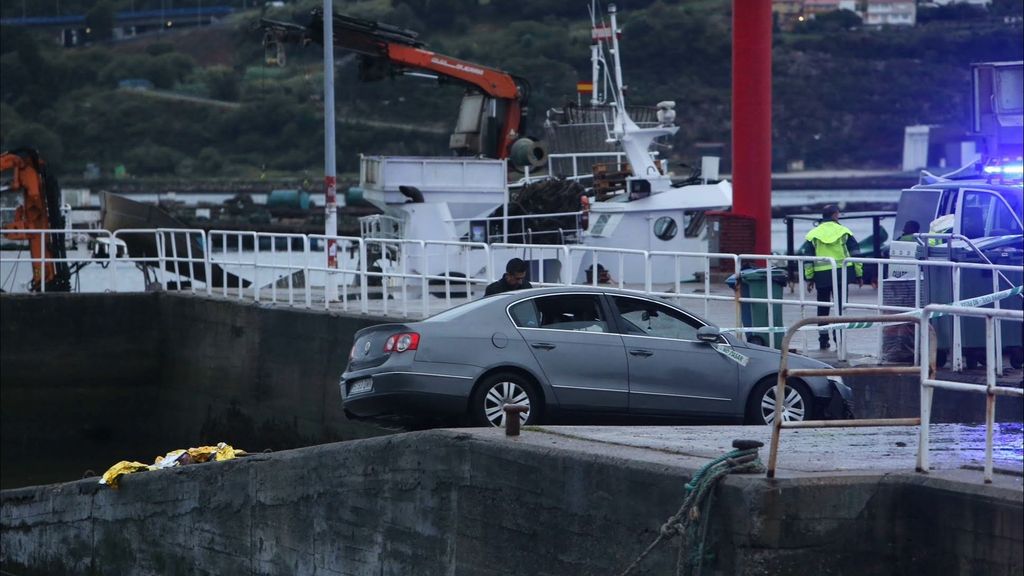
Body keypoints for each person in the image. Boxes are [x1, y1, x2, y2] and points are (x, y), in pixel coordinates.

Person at [803, 205, 864, 350]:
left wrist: (809, 278)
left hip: (822, 275)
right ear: (835, 215)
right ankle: (840, 340)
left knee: (823, 310)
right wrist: (859, 274)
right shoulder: (844, 231)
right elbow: (856, 253)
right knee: (841, 309)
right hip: (841, 273)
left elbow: (807, 258)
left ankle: (823, 340)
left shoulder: (813, 234)